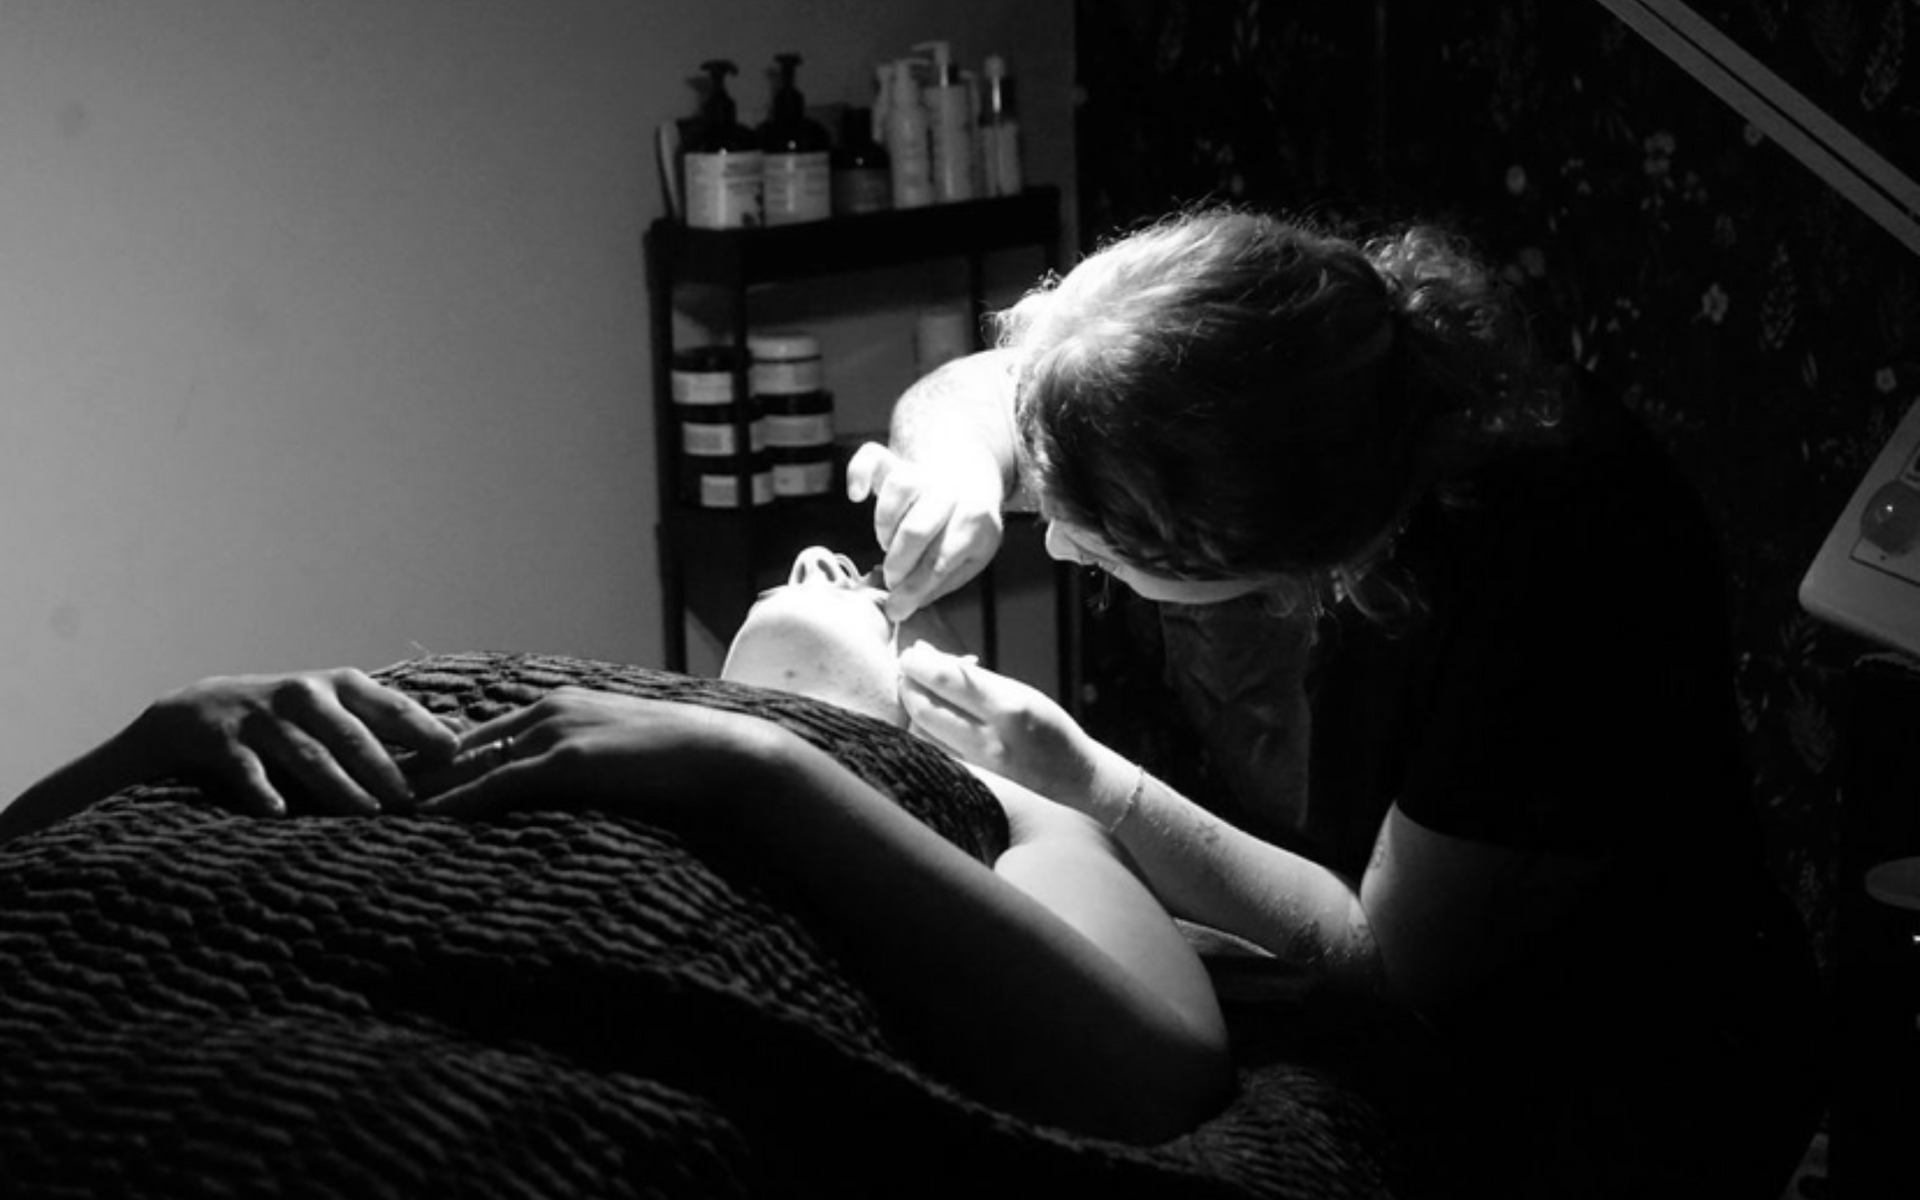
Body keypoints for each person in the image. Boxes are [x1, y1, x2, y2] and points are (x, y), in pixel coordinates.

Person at [845, 206, 1825, 1197]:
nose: (1053, 546)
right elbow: (976, 395)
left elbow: (1392, 962)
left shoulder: (1555, 577)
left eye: (1093, 541)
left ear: (1248, 543)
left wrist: (1086, 783)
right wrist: (958, 471)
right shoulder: (1292, 358)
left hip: (1627, 1070)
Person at [0, 547, 1231, 1145]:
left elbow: (1163, 1077)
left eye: (860, 587)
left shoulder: (965, 807)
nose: (819, 564)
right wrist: (153, 739)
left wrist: (765, 765)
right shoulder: (517, 690)